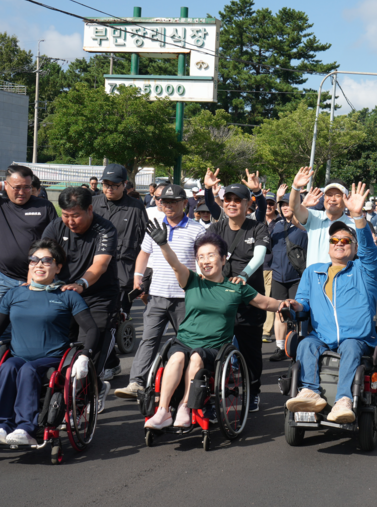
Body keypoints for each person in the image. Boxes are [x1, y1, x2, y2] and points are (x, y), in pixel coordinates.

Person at [143, 228, 286, 430]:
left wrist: (284, 304)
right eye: (200, 257)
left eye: (211, 255)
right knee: (176, 357)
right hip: (185, 340)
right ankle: (163, 410)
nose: (205, 261)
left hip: (214, 347)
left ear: (223, 259)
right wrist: (163, 244)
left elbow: (264, 303)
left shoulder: (236, 287)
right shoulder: (192, 281)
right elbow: (175, 264)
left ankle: (185, 406)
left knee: (195, 358)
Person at [0, 240, 99, 446]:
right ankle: (2, 425)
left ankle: (26, 427)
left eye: (46, 261)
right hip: (19, 356)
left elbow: (92, 328)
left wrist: (85, 355)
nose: (39, 265)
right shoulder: (14, 294)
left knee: (28, 370)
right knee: (6, 368)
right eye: (34, 260)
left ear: (58, 267)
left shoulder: (67, 295)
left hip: (52, 359)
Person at [283, 183, 377, 424]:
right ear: (328, 246)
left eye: (345, 241)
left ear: (354, 247)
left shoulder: (364, 270)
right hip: (323, 335)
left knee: (349, 347)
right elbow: (304, 302)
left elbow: (370, 252)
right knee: (306, 344)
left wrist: (357, 217)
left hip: (356, 337)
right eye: (334, 240)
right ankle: (310, 392)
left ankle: (344, 400)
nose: (339, 243)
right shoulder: (313, 272)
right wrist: (296, 307)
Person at [115, 185, 205, 400]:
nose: (168, 205)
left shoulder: (198, 229)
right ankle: (136, 382)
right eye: (165, 201)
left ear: (185, 203)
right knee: (148, 339)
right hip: (157, 295)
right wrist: (137, 276)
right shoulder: (154, 226)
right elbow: (144, 253)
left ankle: (187, 386)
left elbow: (203, 258)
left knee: (188, 343)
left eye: (173, 202)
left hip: (186, 297)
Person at [42, 187, 121, 413]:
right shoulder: (55, 227)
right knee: (57, 347)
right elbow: (42, 258)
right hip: (64, 294)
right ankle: (64, 392)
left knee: (90, 349)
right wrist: (33, 285)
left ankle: (91, 391)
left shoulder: (105, 229)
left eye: (75, 215)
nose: (70, 221)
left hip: (98, 296)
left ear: (89, 209)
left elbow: (100, 265)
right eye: (66, 215)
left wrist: (82, 284)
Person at [0, 165, 59, 341]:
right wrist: (2, 185)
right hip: (5, 279)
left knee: (34, 326)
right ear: (7, 186)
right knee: (5, 329)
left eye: (27, 187)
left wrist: (38, 276)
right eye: (16, 187)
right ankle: (4, 365)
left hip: (37, 280)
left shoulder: (44, 206)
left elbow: (53, 243)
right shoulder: (0, 204)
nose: (22, 192)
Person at [202, 169, 269, 412]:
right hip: (221, 299)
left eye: (237, 200)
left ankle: (253, 390)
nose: (231, 204)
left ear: (247, 203)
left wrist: (243, 275)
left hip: (249, 298)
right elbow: (206, 254)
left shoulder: (257, 228)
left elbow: (259, 256)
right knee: (216, 347)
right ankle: (219, 391)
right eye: (227, 200)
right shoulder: (217, 228)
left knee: (251, 349)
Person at [91, 163, 150, 379]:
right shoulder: (93, 203)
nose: (109, 189)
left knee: (113, 320)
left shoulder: (136, 207)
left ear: (124, 184)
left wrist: (142, 278)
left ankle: (107, 363)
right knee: (96, 320)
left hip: (123, 276)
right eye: (106, 184)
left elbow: (147, 244)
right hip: (95, 272)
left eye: (114, 185)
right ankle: (109, 361)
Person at [267, 192, 308, 362]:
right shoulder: (276, 226)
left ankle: (301, 346)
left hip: (297, 277)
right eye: (282, 205)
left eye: (288, 204)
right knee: (279, 312)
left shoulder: (304, 228)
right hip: (278, 276)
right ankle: (280, 347)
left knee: (299, 313)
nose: (285, 207)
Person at [289, 167, 354, 266]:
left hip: (341, 278)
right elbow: (295, 208)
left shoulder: (353, 225)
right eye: (329, 195)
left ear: (346, 199)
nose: (332, 199)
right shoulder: (314, 216)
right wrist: (295, 187)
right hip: (314, 278)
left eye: (337, 195)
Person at [262, 192, 282, 343]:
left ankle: (266, 331)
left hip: (272, 266)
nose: (268, 206)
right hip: (255, 267)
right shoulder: (256, 219)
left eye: (271, 203)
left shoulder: (281, 221)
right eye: (265, 203)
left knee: (269, 299)